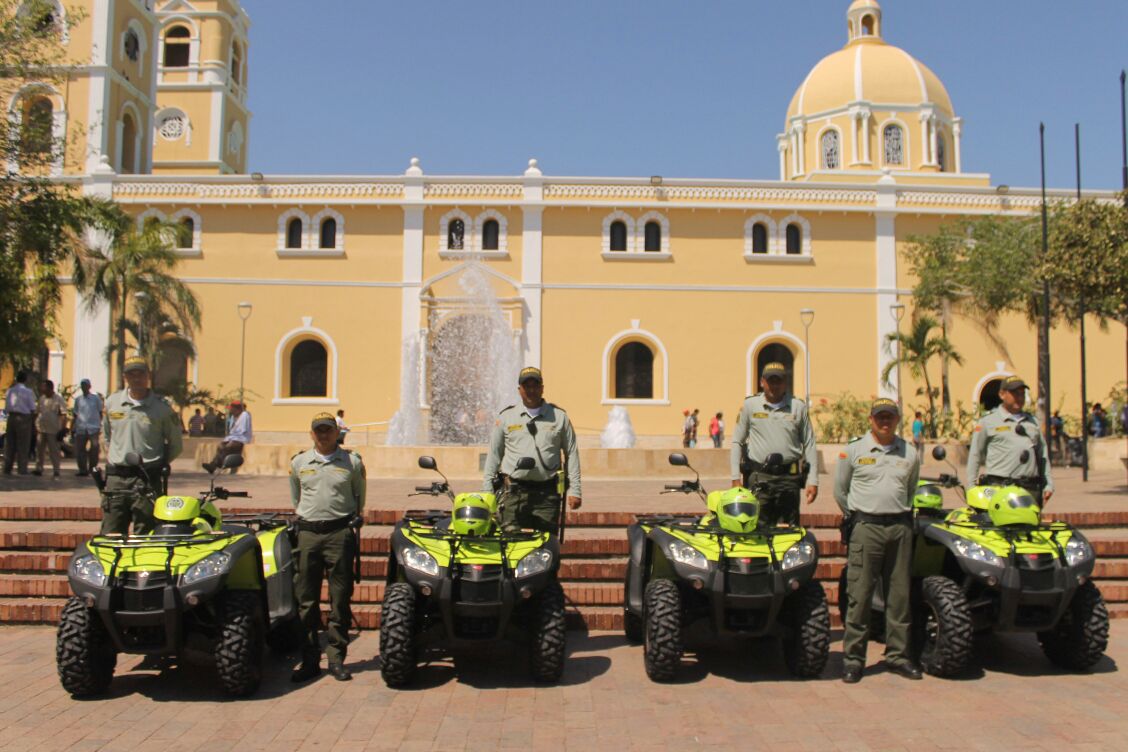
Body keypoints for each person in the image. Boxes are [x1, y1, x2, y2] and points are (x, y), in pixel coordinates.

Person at [835, 398, 922, 683]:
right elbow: (840, 491)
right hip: (866, 528)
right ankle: (853, 660)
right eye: (880, 416)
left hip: (899, 528)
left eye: (890, 417)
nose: (885, 421)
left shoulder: (910, 453)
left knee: (899, 597)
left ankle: (898, 656)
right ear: (871, 419)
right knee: (859, 596)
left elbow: (911, 489)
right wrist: (858, 515)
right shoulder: (854, 450)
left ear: (897, 420)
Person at [289, 412, 366, 683]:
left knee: (340, 599)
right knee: (306, 600)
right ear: (312, 434)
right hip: (308, 534)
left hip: (339, 533)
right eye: (318, 430)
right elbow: (296, 498)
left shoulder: (352, 462)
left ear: (337, 433)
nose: (323, 434)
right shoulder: (299, 462)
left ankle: (336, 658)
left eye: (328, 430)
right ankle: (310, 660)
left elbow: (359, 496)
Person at [483, 367, 582, 534]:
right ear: (519, 389)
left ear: (542, 388)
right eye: (526, 386)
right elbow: (494, 455)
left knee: (546, 542)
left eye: (535, 386)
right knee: (510, 541)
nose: (531, 390)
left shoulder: (559, 417)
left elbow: (571, 453)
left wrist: (575, 490)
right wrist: (487, 491)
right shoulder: (506, 417)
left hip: (546, 494)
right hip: (512, 493)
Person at [100, 357, 183, 535]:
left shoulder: (162, 408)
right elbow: (106, 436)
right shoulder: (112, 403)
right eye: (131, 374)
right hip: (116, 479)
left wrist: (158, 463)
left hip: (146, 479)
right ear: (125, 377)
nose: (136, 379)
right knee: (110, 533)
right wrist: (114, 456)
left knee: (146, 533)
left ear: (148, 376)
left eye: (141, 374)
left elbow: (176, 444)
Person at [730, 362, 819, 527]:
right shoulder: (750, 405)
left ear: (785, 383)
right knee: (756, 527)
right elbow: (737, 441)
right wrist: (735, 478)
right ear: (762, 382)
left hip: (788, 479)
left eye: (779, 380)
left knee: (788, 530)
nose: (774, 385)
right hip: (759, 477)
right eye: (770, 380)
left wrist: (813, 480)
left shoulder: (798, 407)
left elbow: (809, 443)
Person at [967, 375, 1053, 504]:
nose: (1019, 397)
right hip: (999, 487)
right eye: (1015, 393)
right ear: (1002, 394)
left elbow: (1043, 454)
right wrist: (971, 487)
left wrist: (1048, 484)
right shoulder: (987, 422)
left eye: (1022, 394)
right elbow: (975, 455)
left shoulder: (1032, 422)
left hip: (1029, 489)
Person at [2, 371, 37, 476]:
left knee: (10, 444)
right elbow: (32, 407)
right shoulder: (28, 392)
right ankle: (22, 469)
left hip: (11, 417)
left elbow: (6, 407)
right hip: (24, 418)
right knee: (23, 444)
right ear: (25, 379)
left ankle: (7, 468)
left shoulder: (10, 391)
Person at [203, 401, 252, 473]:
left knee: (228, 447)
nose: (230, 410)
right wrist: (228, 439)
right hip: (234, 438)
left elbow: (241, 430)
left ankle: (215, 465)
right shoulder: (234, 417)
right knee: (220, 446)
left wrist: (231, 440)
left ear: (237, 409)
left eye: (232, 409)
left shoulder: (245, 415)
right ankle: (214, 465)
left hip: (241, 438)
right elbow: (232, 431)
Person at [33, 380, 67, 478]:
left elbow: (63, 414)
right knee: (39, 450)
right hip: (41, 428)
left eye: (44, 387)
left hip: (53, 429)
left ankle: (56, 470)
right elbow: (37, 412)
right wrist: (34, 426)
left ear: (50, 388)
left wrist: (63, 429)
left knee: (54, 451)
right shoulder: (42, 399)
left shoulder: (58, 399)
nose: (42, 389)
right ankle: (39, 468)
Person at [72, 379, 103, 476]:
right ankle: (82, 470)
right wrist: (73, 427)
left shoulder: (96, 398)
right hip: (81, 427)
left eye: (85, 385)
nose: (83, 387)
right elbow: (75, 414)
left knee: (94, 448)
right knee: (80, 449)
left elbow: (100, 412)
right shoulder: (78, 399)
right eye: (82, 385)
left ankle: (92, 468)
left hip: (93, 427)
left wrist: (100, 424)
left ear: (89, 386)